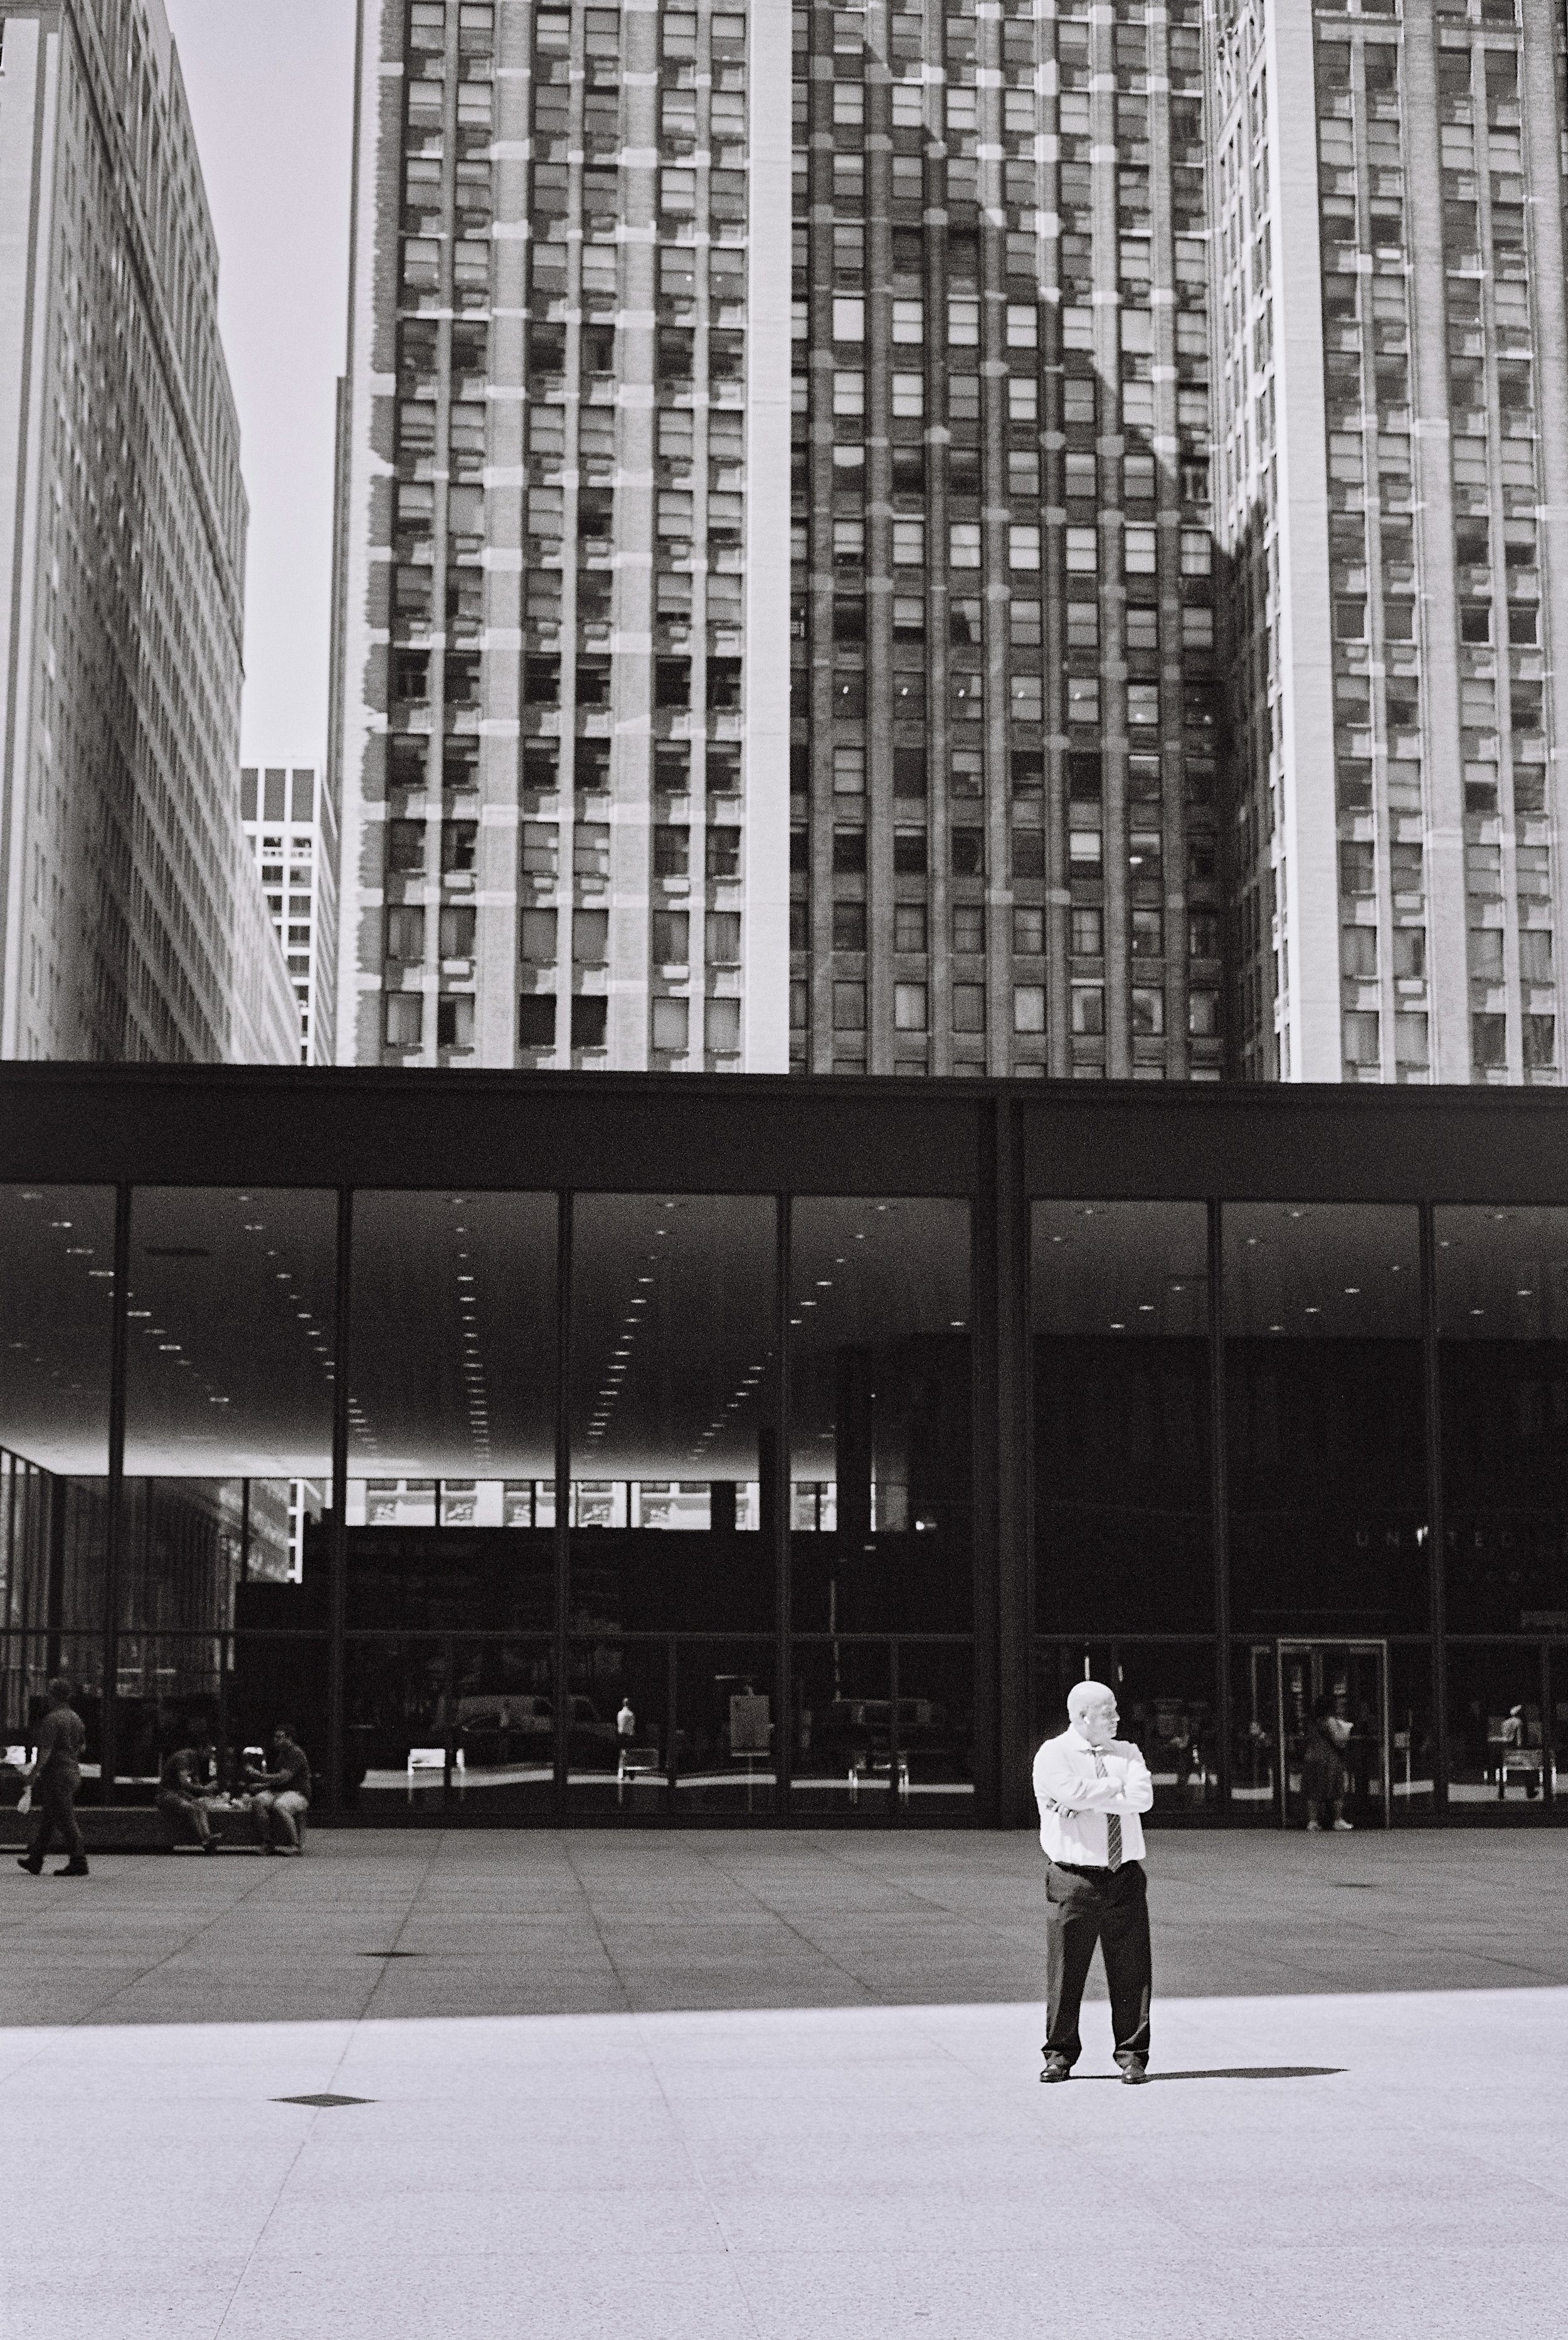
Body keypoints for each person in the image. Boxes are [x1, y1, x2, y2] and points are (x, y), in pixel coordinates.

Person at [1032, 1679, 1155, 2085]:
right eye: (1108, 1712)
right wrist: (1108, 1787)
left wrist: (1083, 1800)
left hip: (1125, 1876)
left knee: (1132, 1970)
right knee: (1066, 1971)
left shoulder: (1128, 1751)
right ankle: (1059, 2055)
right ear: (1082, 1716)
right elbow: (1068, 1789)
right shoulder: (1054, 1753)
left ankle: (1133, 2054)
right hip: (1074, 1879)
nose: (1118, 1718)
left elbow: (1142, 1799)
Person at [16, 1678, 88, 1878]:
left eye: (49, 1693)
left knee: (66, 1820)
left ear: (52, 1696)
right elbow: (82, 1747)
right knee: (49, 1817)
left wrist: (32, 1775)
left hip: (58, 1776)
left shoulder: (53, 1720)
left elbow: (45, 1752)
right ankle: (36, 1858)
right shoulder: (75, 1718)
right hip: (72, 1772)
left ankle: (79, 1861)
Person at [246, 1723, 311, 1854]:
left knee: (280, 1805)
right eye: (275, 1737)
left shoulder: (296, 1754)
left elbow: (284, 1778)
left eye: (279, 1737)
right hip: (280, 1791)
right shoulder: (282, 1755)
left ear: (289, 1738)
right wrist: (263, 1787)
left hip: (298, 1793)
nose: (276, 1740)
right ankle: (268, 1842)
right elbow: (278, 1782)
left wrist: (259, 1776)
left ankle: (295, 1844)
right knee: (257, 1801)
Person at [156, 1737, 220, 1853]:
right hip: (166, 1794)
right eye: (209, 1752)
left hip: (180, 1793)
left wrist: (206, 1793)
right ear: (201, 1749)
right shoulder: (184, 1758)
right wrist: (204, 1789)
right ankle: (203, 1840)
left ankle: (208, 1836)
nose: (210, 1756)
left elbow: (196, 1782)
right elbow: (183, 1783)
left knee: (200, 1805)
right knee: (191, 1808)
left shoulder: (195, 1761)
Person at [1302, 1693, 1352, 1831]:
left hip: (1311, 1758)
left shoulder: (1312, 1721)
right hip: (1329, 1759)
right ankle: (1338, 1820)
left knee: (1313, 1791)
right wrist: (1346, 1730)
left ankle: (1313, 1821)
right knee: (1337, 1789)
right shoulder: (1330, 1721)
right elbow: (1339, 1740)